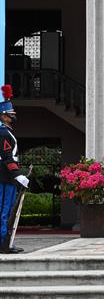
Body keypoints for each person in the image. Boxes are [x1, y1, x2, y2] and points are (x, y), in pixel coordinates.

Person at [0, 85, 29, 254]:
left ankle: (5, 242)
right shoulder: (3, 133)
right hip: (4, 176)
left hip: (7, 176)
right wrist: (17, 175)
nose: (13, 117)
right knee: (4, 210)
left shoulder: (7, 131)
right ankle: (3, 243)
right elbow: (6, 157)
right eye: (11, 115)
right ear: (4, 116)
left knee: (8, 209)